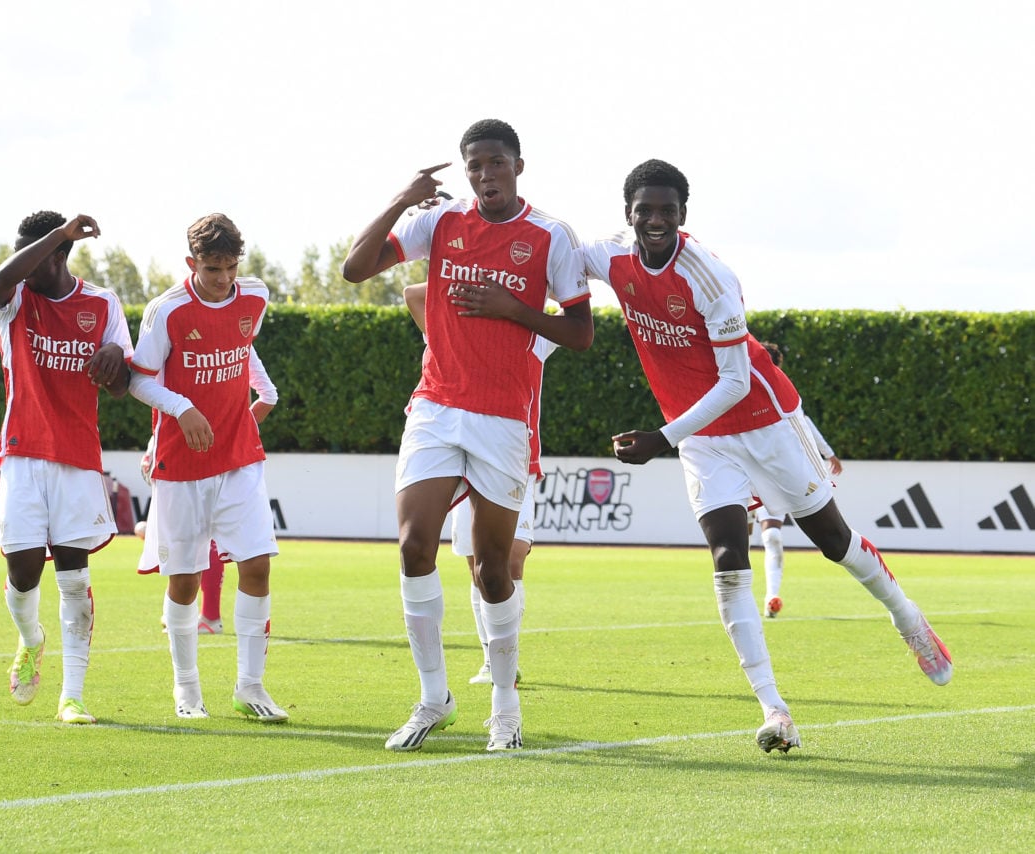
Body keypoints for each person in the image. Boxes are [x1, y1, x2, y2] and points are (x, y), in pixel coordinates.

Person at [583, 159, 953, 754]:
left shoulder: (711, 278)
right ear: (627, 213)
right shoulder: (608, 256)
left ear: (683, 215)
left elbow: (733, 383)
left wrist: (661, 438)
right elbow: (553, 257)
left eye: (667, 210)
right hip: (704, 438)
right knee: (728, 555)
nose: (655, 220)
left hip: (763, 420)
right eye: (644, 210)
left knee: (833, 541)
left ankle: (907, 617)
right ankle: (774, 709)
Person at [343, 119, 593, 752]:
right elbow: (354, 268)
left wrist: (516, 311)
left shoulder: (550, 236)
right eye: (475, 166)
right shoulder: (441, 221)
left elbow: (582, 333)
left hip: (504, 418)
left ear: (518, 166)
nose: (486, 175)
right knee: (412, 547)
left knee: (491, 569)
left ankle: (504, 707)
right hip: (435, 406)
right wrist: (402, 199)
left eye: (496, 163)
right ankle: (434, 698)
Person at [129, 213, 286, 723]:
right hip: (182, 463)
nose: (224, 279)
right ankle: (187, 688)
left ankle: (251, 687)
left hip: (240, 457)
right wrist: (181, 407)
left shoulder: (256, 296)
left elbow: (243, 348)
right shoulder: (167, 310)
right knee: (185, 581)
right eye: (213, 268)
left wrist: (263, 395)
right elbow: (138, 380)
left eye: (231, 267)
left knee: (258, 564)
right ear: (191, 263)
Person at [0, 211, 133, 725]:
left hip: (77, 459)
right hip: (23, 455)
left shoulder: (103, 303)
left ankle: (72, 696)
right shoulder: (15, 300)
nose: (24, 267)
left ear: (60, 259)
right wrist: (58, 235)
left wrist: (114, 355)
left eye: (38, 257)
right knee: (22, 573)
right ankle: (31, 639)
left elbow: (120, 384)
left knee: (74, 578)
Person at [403, 281, 554, 685]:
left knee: (511, 559)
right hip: (458, 455)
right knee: (477, 566)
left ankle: (508, 658)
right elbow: (414, 293)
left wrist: (514, 298)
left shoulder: (533, 336)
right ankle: (491, 658)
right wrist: (466, 279)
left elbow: (564, 310)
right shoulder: (455, 328)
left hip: (515, 456)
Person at [143, 348, 280, 636]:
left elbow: (143, 386)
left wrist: (153, 445)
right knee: (212, 548)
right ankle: (206, 616)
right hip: (221, 460)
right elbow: (268, 395)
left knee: (190, 555)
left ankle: (205, 616)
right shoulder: (231, 330)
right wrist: (235, 435)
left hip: (175, 459)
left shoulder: (164, 320)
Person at [751, 341, 844, 619]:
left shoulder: (779, 389)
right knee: (735, 543)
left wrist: (827, 453)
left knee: (772, 537)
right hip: (742, 474)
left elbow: (802, 421)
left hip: (770, 474)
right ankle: (739, 602)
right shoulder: (735, 388)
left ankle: (771, 598)